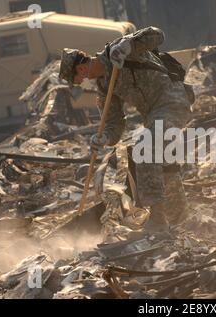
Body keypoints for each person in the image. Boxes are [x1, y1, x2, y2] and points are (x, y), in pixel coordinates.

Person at [58, 27, 193, 232]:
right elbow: (114, 124)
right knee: (165, 165)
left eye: (77, 79)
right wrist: (103, 138)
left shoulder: (117, 51)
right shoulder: (104, 87)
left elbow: (158, 35)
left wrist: (130, 43)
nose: (80, 83)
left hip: (172, 101)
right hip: (153, 115)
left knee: (145, 149)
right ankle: (181, 220)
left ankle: (157, 219)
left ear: (81, 69)